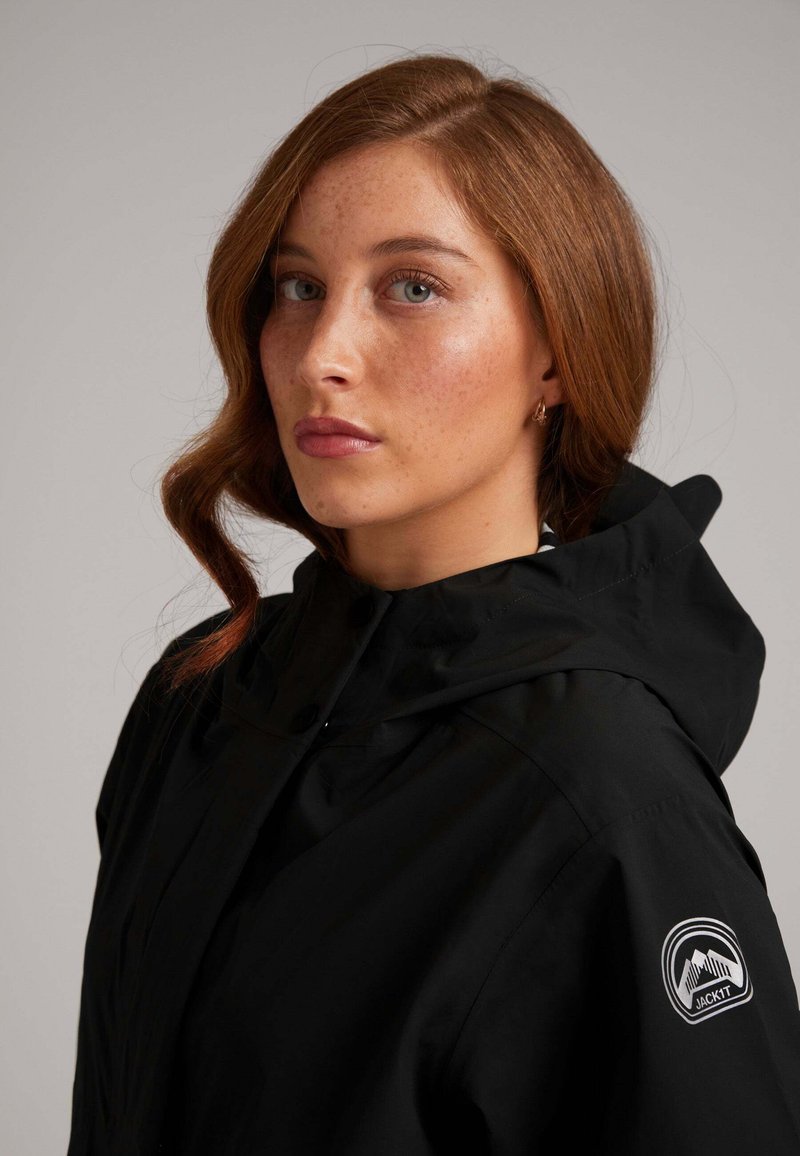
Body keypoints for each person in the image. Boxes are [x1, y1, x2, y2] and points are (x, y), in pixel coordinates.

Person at [67, 52, 800, 1155]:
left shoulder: (609, 790)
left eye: (412, 286)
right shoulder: (200, 701)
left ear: (555, 354)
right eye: (298, 287)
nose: (322, 355)